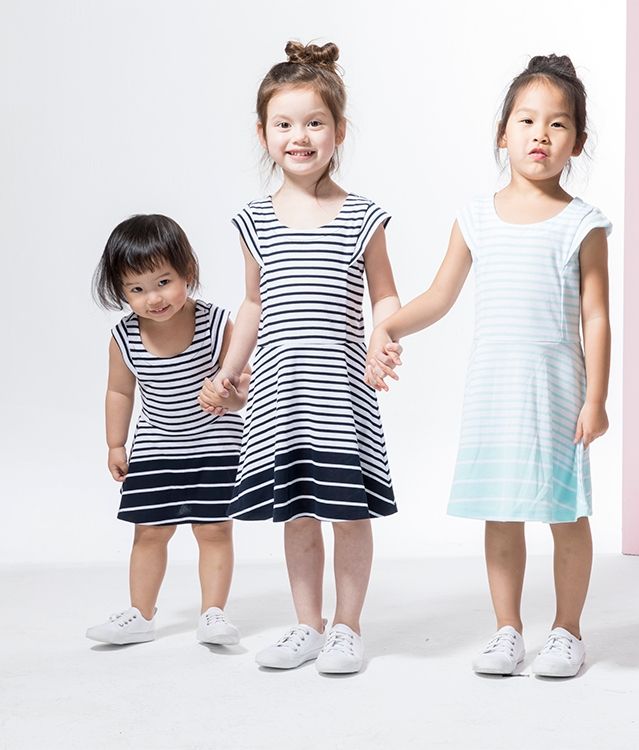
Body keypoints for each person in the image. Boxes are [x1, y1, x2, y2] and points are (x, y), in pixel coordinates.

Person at [367, 55, 612, 678]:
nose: (540, 134)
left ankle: (568, 630)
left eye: (558, 124)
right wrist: (389, 326)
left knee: (564, 512)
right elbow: (439, 296)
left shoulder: (582, 223)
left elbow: (596, 317)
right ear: (503, 133)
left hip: (557, 393)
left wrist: (596, 399)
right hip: (494, 391)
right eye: (526, 120)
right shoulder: (475, 217)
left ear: (577, 141)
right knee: (500, 512)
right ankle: (508, 630)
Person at [199, 41, 402, 674]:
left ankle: (347, 627)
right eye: (284, 124)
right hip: (279, 395)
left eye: (314, 122)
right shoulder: (254, 220)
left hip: (341, 394)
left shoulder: (363, 217)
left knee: (348, 512)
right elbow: (252, 306)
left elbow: (385, 294)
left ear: (339, 130)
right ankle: (307, 624)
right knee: (297, 515)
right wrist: (228, 369)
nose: (300, 137)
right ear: (263, 134)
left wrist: (384, 338)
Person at [87, 214, 248, 646]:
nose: (153, 298)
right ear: (120, 291)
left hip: (215, 445)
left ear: (187, 272)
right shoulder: (124, 336)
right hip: (156, 447)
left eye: (163, 282)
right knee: (148, 531)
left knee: (214, 529)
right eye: (136, 289)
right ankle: (140, 614)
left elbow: (244, 384)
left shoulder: (216, 323)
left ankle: (213, 613)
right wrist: (115, 444)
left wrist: (229, 396)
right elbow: (119, 392)